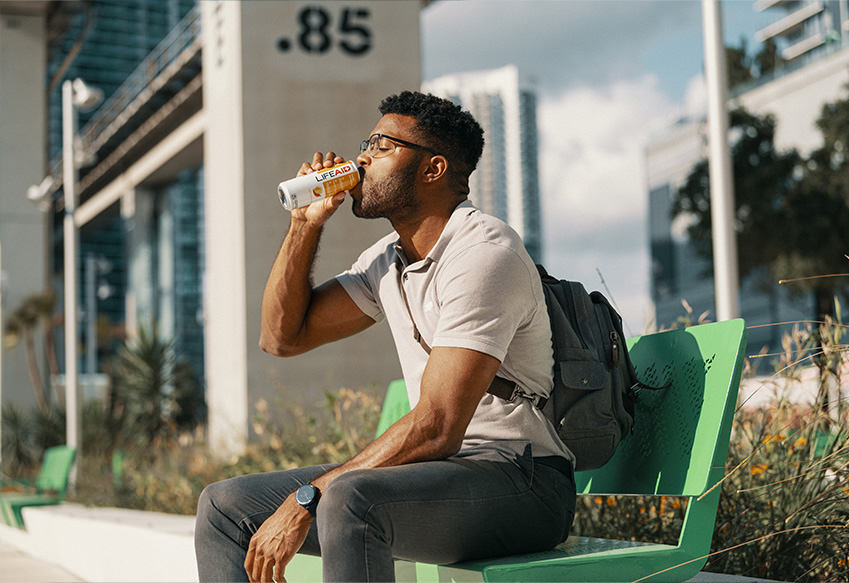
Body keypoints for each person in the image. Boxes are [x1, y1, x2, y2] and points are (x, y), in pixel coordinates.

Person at [195, 91, 576, 583]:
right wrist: (304, 227)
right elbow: (280, 338)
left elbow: (438, 425)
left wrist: (307, 497)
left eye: (381, 145)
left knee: (350, 499)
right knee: (225, 506)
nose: (362, 158)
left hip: (524, 482)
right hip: (437, 476)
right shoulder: (386, 262)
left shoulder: (483, 253)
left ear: (433, 169)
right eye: (366, 143)